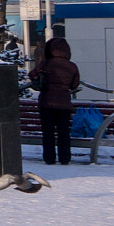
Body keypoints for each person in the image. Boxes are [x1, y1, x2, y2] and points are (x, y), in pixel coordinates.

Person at [30, 34, 81, 166]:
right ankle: (65, 158)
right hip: (64, 103)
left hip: (46, 102)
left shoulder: (46, 63)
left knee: (48, 132)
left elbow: (32, 75)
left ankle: (49, 158)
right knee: (64, 132)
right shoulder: (72, 66)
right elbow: (74, 85)